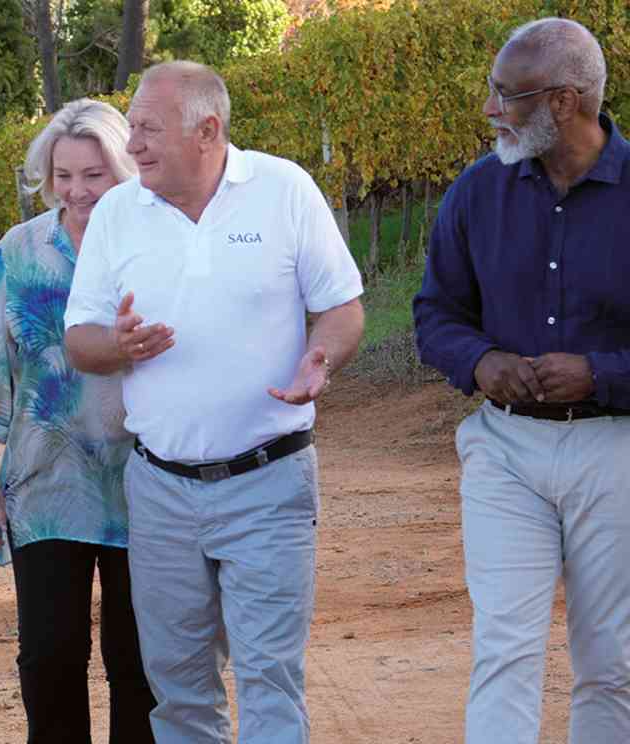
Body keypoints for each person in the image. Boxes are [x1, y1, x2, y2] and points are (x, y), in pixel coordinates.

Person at [63, 61, 364, 743]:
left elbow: (342, 307)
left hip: (270, 478)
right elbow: (80, 341)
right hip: (161, 491)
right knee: (177, 686)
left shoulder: (284, 190)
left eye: (147, 128)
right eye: (130, 125)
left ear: (208, 130)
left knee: (269, 678)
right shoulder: (118, 213)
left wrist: (323, 356)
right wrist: (120, 344)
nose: (131, 144)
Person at [412, 18, 630, 744]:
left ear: (565, 101)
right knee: (503, 649)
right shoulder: (477, 191)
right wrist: (479, 362)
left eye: (506, 94)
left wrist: (600, 373)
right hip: (505, 453)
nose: (490, 109)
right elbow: (436, 312)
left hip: (617, 450)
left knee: (612, 662)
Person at [0, 98, 155, 744]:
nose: (76, 191)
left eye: (92, 175)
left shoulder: (153, 243)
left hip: (146, 484)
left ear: (122, 169)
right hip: (45, 487)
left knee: (139, 665)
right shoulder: (20, 252)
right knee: (49, 660)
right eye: (63, 175)